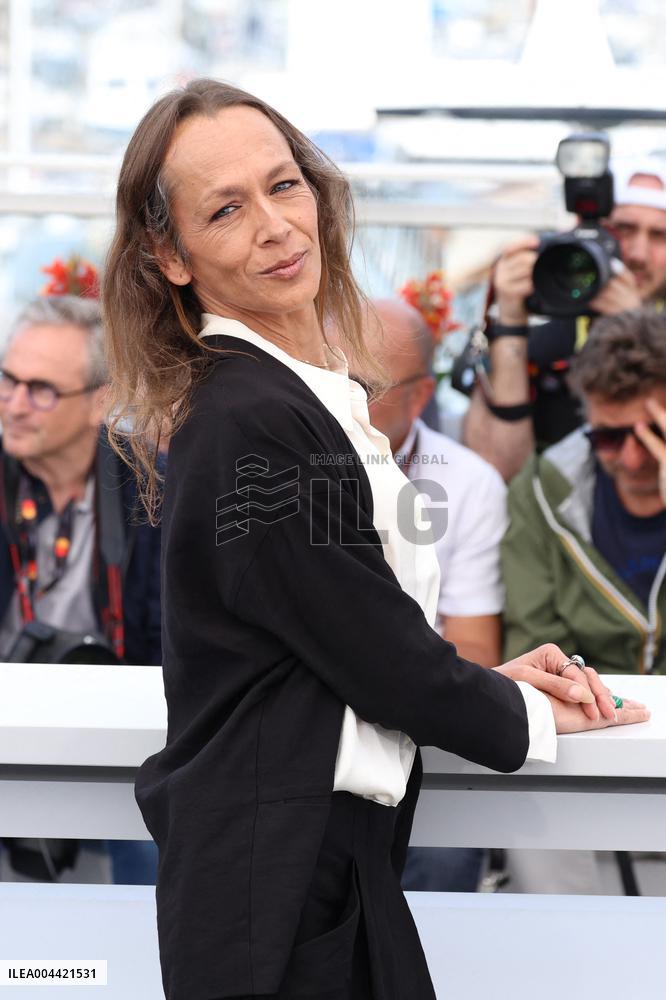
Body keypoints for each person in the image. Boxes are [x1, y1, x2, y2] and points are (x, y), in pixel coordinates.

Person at [102, 79, 648, 1000]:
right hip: (274, 881)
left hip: (304, 866)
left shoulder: (276, 393)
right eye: (227, 209)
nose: (276, 225)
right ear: (171, 255)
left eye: (284, 185)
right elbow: (370, 648)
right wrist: (534, 714)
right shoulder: (248, 416)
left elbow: (338, 632)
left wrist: (483, 683)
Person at [500, 307, 666, 895]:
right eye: (609, 437)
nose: (634, 458)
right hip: (585, 737)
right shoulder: (545, 490)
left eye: (652, 434)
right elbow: (533, 645)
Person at [0, 294, 162, 885]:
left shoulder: (156, 494)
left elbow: (177, 649)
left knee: (156, 857)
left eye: (41, 390)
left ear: (101, 400)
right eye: (8, 380)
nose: (15, 405)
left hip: (122, 748)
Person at [358, 297, 507, 895]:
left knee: (439, 882)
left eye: (366, 383)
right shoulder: (283, 462)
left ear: (422, 396)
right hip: (314, 742)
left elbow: (475, 649)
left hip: (429, 739)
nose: (343, 393)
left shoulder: (468, 483)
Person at [464, 155, 666, 481]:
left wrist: (638, 330)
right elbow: (498, 472)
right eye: (624, 229)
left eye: (660, 236)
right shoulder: (542, 340)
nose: (638, 253)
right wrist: (509, 321)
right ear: (587, 232)